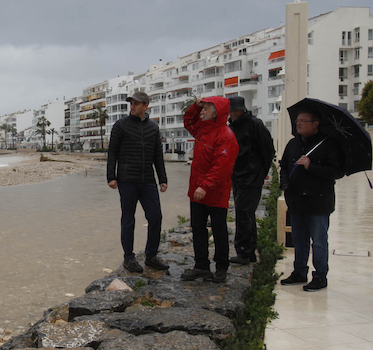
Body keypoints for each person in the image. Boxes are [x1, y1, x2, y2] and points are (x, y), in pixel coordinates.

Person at [280, 109, 344, 291]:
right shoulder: (293, 143)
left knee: (318, 240)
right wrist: (284, 183)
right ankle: (299, 271)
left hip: (318, 201)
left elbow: (336, 172)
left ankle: (320, 276)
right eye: (297, 120)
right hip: (296, 200)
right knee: (299, 239)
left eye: (303, 121)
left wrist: (311, 165)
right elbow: (284, 166)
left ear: (315, 123)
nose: (298, 123)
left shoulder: (328, 144)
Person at [107, 91, 169, 273]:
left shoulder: (153, 128)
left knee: (155, 216)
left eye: (136, 103)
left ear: (145, 106)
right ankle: (129, 258)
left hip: (148, 180)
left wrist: (163, 179)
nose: (132, 106)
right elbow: (112, 152)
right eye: (131, 103)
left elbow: (158, 155)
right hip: (127, 180)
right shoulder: (121, 126)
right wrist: (111, 176)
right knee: (128, 219)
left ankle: (151, 256)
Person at [181, 97, 239, 283]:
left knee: (219, 229)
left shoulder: (225, 135)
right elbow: (188, 121)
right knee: (198, 228)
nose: (202, 111)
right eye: (203, 108)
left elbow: (221, 166)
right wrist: (195, 106)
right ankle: (201, 266)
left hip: (215, 192)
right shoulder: (202, 129)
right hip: (197, 191)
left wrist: (205, 186)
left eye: (206, 108)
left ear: (216, 112)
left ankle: (221, 267)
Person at [228, 97, 275, 265]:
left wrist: (261, 172)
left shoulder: (256, 124)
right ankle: (250, 251)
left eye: (236, 110)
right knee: (246, 214)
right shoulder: (232, 127)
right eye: (231, 111)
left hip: (251, 176)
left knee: (243, 213)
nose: (233, 114)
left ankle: (244, 252)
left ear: (242, 109)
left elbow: (268, 150)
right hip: (238, 176)